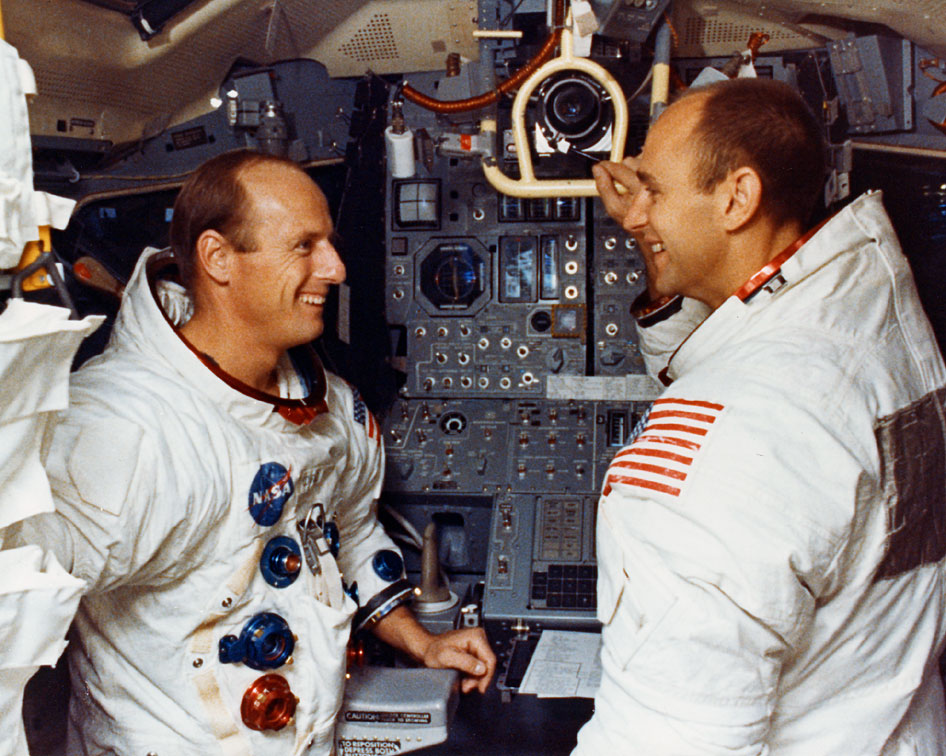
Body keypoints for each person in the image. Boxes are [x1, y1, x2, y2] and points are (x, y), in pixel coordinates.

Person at [11, 149, 495, 755]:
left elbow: (345, 532)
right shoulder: (124, 428)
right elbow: (17, 594)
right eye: (304, 246)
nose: (336, 268)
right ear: (219, 258)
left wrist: (420, 642)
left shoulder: (331, 407)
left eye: (330, 244)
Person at [576, 77, 946, 755]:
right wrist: (660, 241)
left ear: (737, 198)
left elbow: (670, 743)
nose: (632, 216)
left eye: (653, 191)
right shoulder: (870, 309)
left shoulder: (725, 441)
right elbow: (726, 348)